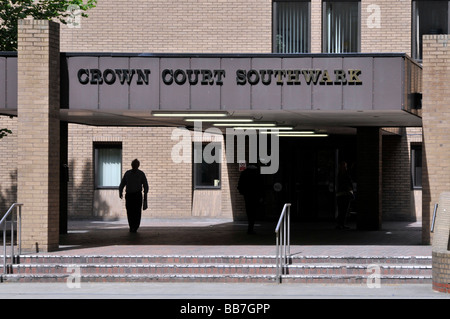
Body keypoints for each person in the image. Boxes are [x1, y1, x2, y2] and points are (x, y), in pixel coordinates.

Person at [119, 159, 149, 233]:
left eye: (136, 164)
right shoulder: (127, 173)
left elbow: (145, 185)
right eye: (133, 164)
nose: (134, 166)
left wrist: (145, 194)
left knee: (137, 212)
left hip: (137, 195)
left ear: (138, 165)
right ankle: (131, 226)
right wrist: (120, 191)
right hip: (129, 195)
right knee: (129, 211)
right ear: (131, 165)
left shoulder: (141, 174)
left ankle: (135, 226)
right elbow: (122, 183)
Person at [237, 164, 263, 234]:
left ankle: (250, 227)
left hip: (247, 195)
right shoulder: (257, 174)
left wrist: (243, 192)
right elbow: (260, 185)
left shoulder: (244, 173)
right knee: (254, 211)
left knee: (249, 211)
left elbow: (240, 185)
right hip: (255, 196)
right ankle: (251, 227)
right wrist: (260, 196)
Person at [336, 161, 354, 230]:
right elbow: (349, 183)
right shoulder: (345, 174)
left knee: (341, 210)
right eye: (345, 166)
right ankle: (341, 224)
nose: (345, 168)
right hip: (345, 194)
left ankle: (340, 224)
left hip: (340, 194)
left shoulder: (339, 174)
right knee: (344, 210)